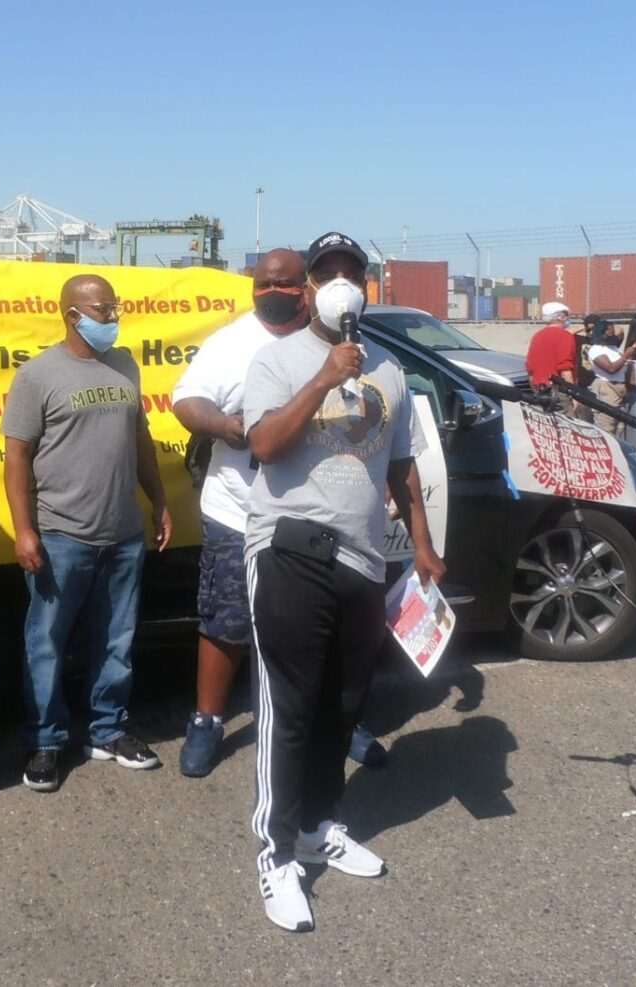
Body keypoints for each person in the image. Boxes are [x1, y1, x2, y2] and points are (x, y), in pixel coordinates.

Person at [242, 232, 445, 932]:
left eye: (350, 273)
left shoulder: (389, 369)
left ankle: (317, 825)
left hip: (363, 556)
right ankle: (276, 854)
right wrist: (325, 377)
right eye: (324, 272)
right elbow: (264, 446)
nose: (338, 283)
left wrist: (421, 544)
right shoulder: (276, 359)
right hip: (291, 545)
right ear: (304, 290)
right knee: (291, 704)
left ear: (368, 286)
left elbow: (401, 465)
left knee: (343, 702)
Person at [171, 252, 389, 778]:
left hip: (323, 522)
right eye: (264, 283)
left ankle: (338, 723)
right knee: (226, 622)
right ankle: (208, 721)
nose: (274, 291)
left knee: (327, 632)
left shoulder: (349, 344)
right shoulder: (234, 344)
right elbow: (185, 401)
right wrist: (227, 425)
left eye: (286, 284)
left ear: (308, 290)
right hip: (240, 511)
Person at [1, 274, 174, 794]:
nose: (113, 317)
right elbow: (16, 458)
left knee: (117, 641)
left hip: (122, 534)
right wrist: (24, 530)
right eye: (104, 309)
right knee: (47, 644)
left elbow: (139, 437)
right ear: (73, 315)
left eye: (115, 307)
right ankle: (47, 742)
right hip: (61, 537)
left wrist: (160, 499)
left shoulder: (124, 365)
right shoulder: (37, 376)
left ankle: (108, 731)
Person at [586, 317, 636, 434]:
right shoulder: (596, 349)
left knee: (620, 427)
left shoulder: (613, 347)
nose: (613, 332)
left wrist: (634, 350)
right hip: (607, 388)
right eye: (610, 330)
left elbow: (621, 332)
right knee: (607, 426)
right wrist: (625, 355)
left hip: (620, 388)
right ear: (604, 332)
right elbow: (610, 368)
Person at [525, 302, 579, 396]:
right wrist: (573, 396)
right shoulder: (565, 336)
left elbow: (531, 370)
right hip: (559, 391)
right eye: (567, 315)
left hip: (540, 391)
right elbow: (565, 368)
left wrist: (536, 393)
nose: (568, 319)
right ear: (560, 317)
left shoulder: (537, 336)